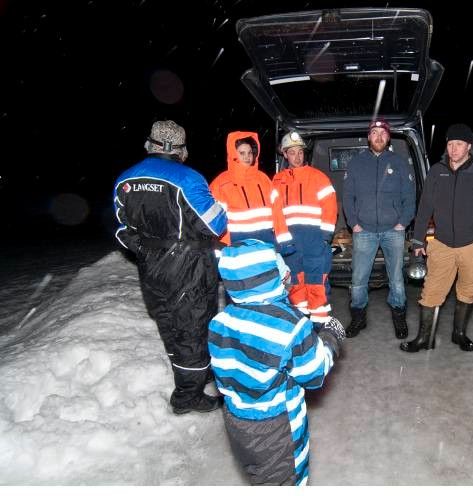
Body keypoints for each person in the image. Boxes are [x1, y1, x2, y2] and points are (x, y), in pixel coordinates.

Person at [208, 239, 345, 485]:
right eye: (279, 267)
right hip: (277, 428)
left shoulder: (220, 321)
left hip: (237, 422)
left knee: (261, 477)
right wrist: (330, 337)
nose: (287, 272)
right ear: (268, 277)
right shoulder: (290, 326)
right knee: (287, 481)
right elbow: (314, 373)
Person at [113, 120, 227, 414]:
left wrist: (146, 248)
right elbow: (215, 224)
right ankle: (188, 396)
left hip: (150, 268)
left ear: (150, 144)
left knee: (169, 325)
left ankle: (194, 372)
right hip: (188, 266)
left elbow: (122, 230)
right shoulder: (187, 178)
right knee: (192, 328)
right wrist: (221, 207)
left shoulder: (125, 179)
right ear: (180, 149)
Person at [401, 123, 473, 353]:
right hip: (442, 244)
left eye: (459, 144)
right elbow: (425, 206)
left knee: (468, 291)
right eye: (450, 143)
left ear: (469, 146)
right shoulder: (437, 171)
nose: (454, 149)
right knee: (431, 292)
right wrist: (418, 240)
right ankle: (424, 338)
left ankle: (459, 333)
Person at [342, 119, 416, 339]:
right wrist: (353, 223)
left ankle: (399, 315)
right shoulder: (356, 163)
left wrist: (403, 221)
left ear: (388, 137)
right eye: (374, 132)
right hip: (363, 230)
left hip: (393, 230)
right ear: (368, 137)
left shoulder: (399, 162)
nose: (379, 136)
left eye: (383, 133)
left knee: (397, 279)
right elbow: (347, 196)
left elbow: (409, 196)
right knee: (358, 279)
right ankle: (358, 317)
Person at [271, 131, 338, 327]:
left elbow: (330, 208)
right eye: (292, 152)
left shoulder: (318, 177)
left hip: (315, 242)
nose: (297, 157)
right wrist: (281, 242)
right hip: (290, 245)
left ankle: (320, 329)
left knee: (317, 285)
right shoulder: (277, 181)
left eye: (300, 152)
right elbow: (274, 214)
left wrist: (324, 238)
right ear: (285, 154)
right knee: (295, 287)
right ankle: (301, 328)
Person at [209, 131, 294, 252]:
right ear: (233, 154)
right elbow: (216, 221)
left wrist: (284, 242)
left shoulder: (263, 179)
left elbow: (277, 211)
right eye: (242, 153)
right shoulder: (221, 183)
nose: (247, 157)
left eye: (250, 153)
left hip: (266, 242)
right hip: (237, 246)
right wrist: (221, 250)